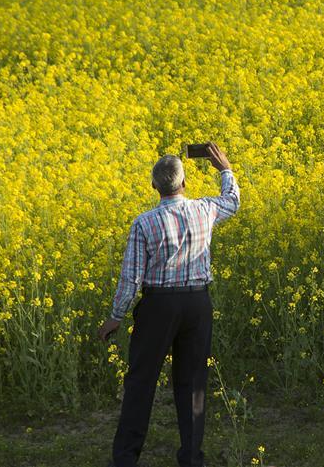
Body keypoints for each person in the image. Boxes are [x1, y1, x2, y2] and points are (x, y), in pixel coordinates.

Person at [97, 143, 240, 467]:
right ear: (184, 183)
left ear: (154, 186)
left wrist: (116, 316)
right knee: (192, 382)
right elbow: (233, 201)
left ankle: (125, 459)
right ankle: (191, 458)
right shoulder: (204, 209)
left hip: (158, 306)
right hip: (197, 303)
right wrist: (225, 169)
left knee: (141, 381)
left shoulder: (144, 223)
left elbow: (132, 277)